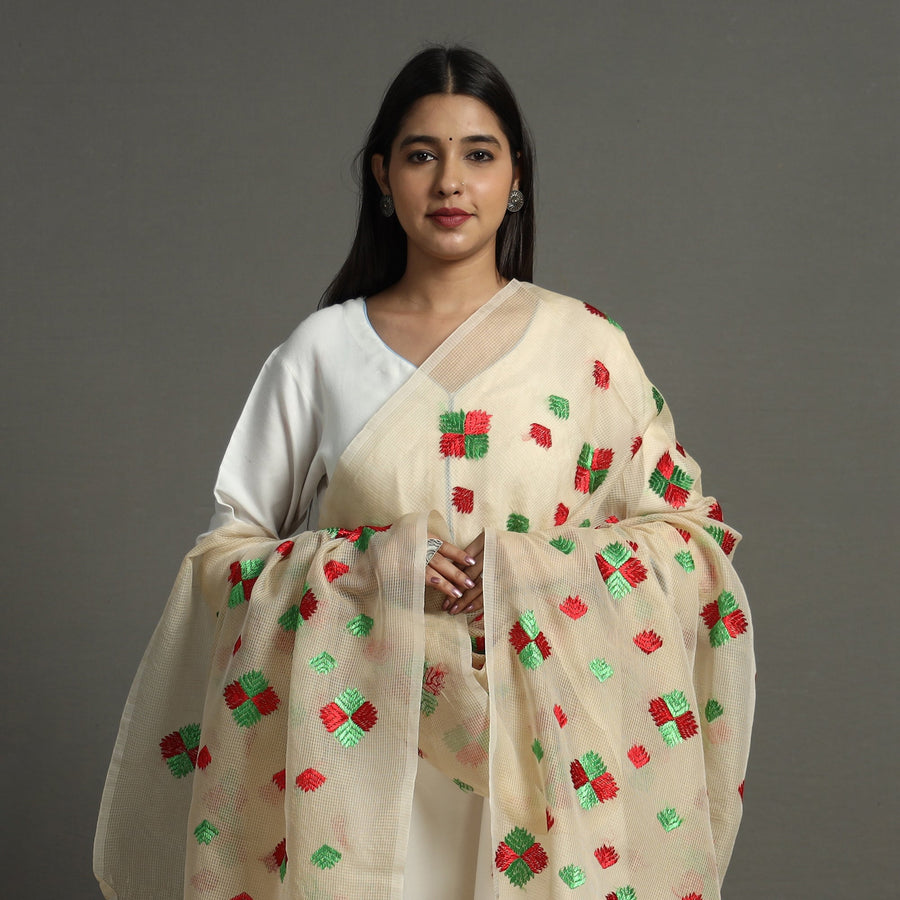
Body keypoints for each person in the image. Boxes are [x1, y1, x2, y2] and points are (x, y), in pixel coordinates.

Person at [94, 46, 754, 900]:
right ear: (382, 176)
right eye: (420, 155)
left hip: (545, 760)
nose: (451, 183)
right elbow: (223, 561)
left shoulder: (586, 347)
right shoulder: (322, 353)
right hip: (359, 762)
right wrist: (373, 570)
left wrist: (531, 572)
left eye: (478, 154)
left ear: (516, 176)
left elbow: (690, 540)